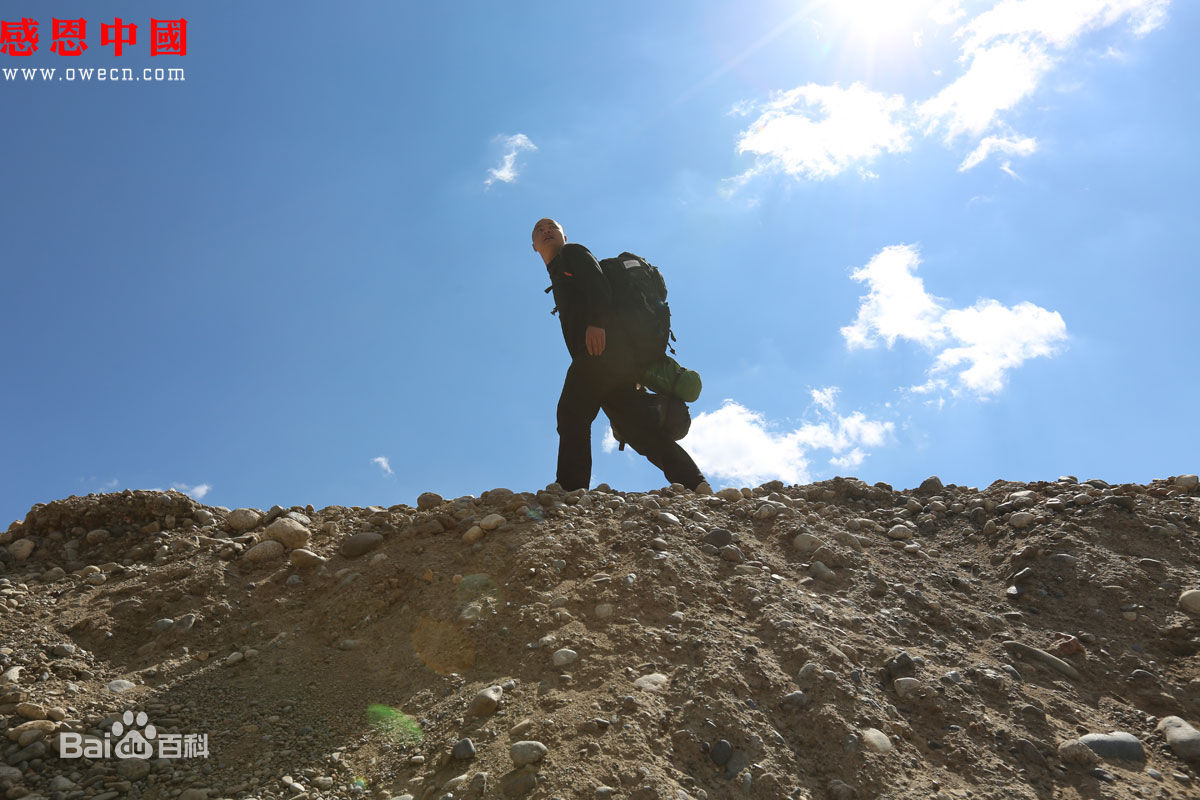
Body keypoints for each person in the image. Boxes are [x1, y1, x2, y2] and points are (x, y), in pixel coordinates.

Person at [532, 217, 710, 493]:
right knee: (638, 428)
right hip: (618, 362)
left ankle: (570, 490)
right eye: (539, 231)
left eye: (551, 228)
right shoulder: (558, 271)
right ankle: (695, 483)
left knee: (571, 415)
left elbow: (598, 283)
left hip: (600, 353)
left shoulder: (572, 253)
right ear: (534, 246)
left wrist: (597, 322)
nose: (546, 232)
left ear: (564, 237)